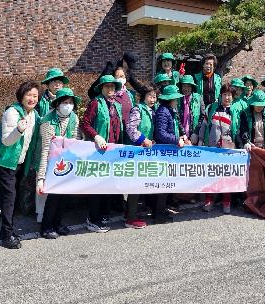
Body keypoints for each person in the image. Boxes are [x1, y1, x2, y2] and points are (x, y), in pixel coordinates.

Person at [0, 81, 40, 249]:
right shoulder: (12, 113)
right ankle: (7, 235)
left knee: (11, 197)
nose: (32, 99)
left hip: (18, 162)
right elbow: (6, 140)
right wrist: (18, 130)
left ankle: (5, 231)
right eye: (29, 95)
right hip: (5, 162)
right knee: (9, 198)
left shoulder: (33, 114)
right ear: (21, 96)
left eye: (35, 96)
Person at [36, 87, 81, 239]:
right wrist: (41, 178)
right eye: (64, 102)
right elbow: (45, 149)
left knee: (64, 194)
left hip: (66, 161)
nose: (67, 105)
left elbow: (75, 140)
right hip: (50, 161)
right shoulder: (47, 120)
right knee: (53, 195)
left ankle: (58, 223)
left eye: (70, 102)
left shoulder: (74, 118)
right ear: (57, 104)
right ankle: (46, 226)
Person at [81, 75, 124, 232]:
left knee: (108, 185)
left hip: (113, 151)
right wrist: (96, 135)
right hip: (99, 151)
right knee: (98, 186)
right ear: (101, 88)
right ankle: (92, 219)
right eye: (107, 87)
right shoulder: (95, 103)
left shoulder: (116, 105)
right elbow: (85, 123)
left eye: (113, 87)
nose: (110, 89)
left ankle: (103, 215)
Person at [197, 83, 241, 214]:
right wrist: (200, 139)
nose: (227, 97)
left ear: (233, 97)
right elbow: (204, 124)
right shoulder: (212, 108)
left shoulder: (235, 111)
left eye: (230, 95)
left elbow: (238, 130)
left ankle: (226, 201)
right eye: (225, 94)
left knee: (226, 175)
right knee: (210, 174)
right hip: (211, 147)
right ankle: (209, 200)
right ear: (220, 95)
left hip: (228, 149)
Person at [35, 68, 69, 222]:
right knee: (43, 179)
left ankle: (56, 216)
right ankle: (41, 214)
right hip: (44, 143)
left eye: (60, 81)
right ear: (47, 84)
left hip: (62, 149)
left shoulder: (67, 100)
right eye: (54, 81)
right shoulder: (40, 101)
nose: (57, 84)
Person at [125, 84, 158, 229]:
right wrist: (143, 139)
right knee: (136, 183)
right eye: (150, 96)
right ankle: (130, 218)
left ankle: (134, 211)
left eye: (154, 97)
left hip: (148, 151)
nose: (152, 99)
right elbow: (131, 128)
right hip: (138, 151)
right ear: (143, 97)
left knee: (143, 182)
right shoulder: (138, 109)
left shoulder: (153, 111)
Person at [154, 85, 188, 223]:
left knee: (167, 183)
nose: (177, 100)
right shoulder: (163, 111)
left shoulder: (170, 110)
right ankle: (158, 214)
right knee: (163, 184)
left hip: (169, 151)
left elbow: (177, 124)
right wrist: (176, 140)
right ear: (171, 99)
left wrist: (183, 134)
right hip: (164, 152)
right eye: (175, 98)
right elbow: (160, 133)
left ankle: (162, 210)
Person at [177, 75, 205, 145]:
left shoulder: (198, 98)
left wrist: (196, 133)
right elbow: (176, 117)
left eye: (188, 86)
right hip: (180, 136)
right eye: (184, 86)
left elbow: (203, 116)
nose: (186, 89)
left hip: (195, 136)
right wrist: (183, 134)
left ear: (192, 87)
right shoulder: (177, 99)